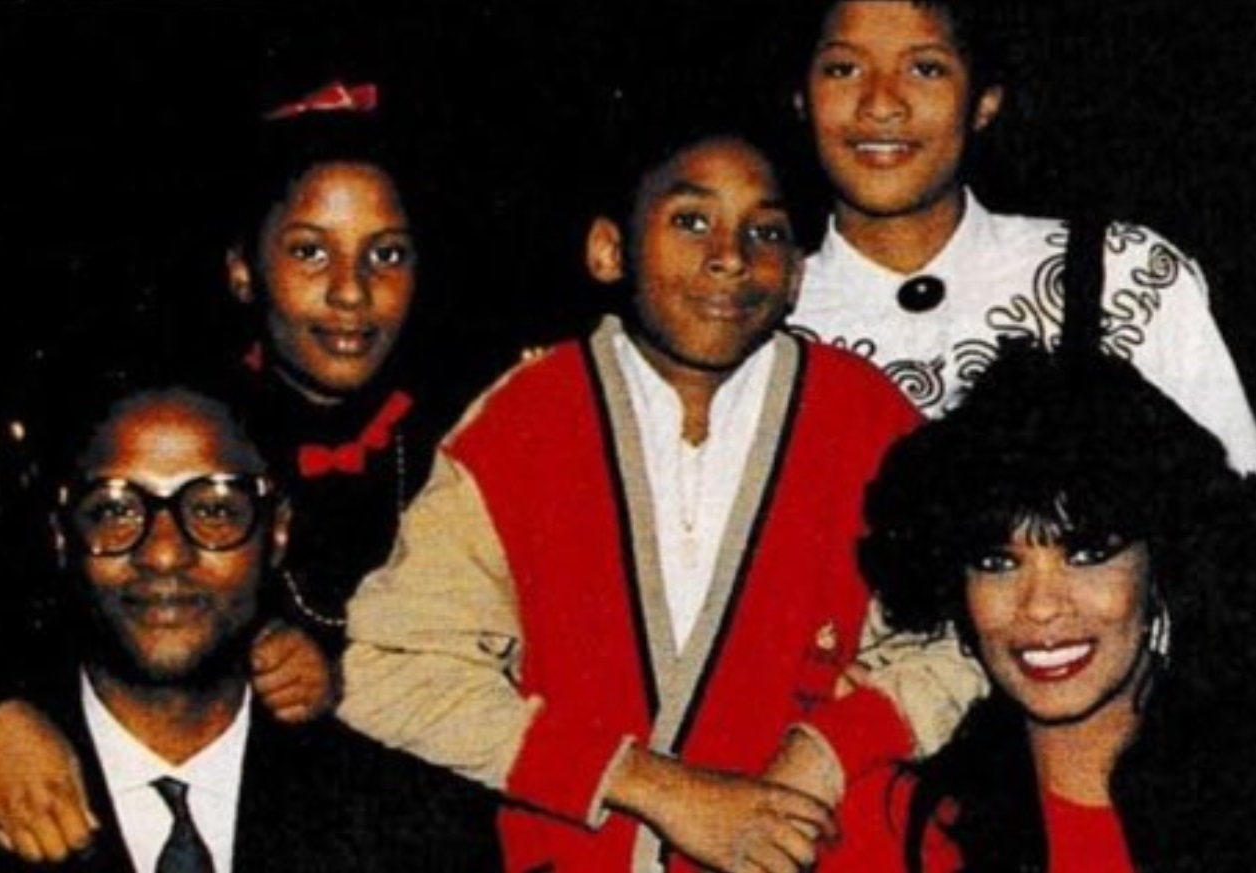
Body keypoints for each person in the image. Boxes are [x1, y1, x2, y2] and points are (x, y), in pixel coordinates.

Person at [337, 117, 982, 872]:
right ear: (610, 250)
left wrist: (829, 748)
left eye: (766, 233)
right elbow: (389, 668)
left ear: (799, 274)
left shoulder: (865, 417)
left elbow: (966, 639)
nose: (730, 258)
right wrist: (650, 785)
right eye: (690, 221)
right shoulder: (527, 419)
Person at [0, 79, 475, 862]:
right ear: (243, 270)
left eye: (387, 253)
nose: (351, 291)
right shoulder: (170, 431)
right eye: (310, 250)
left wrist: (349, 679)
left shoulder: (464, 439)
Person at [823, 340, 1256, 871]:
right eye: (998, 563)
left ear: (1163, 568)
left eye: (1088, 554)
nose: (1042, 606)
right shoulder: (893, 827)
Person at [784, 0, 1256, 532]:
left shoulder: (1120, 277)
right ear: (801, 97)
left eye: (926, 68)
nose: (881, 104)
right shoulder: (759, 318)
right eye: (843, 69)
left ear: (985, 102)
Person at [0, 373, 500, 872]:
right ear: (61, 537)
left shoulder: (417, 833)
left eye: (214, 509)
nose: (164, 554)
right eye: (115, 510)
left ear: (278, 533)